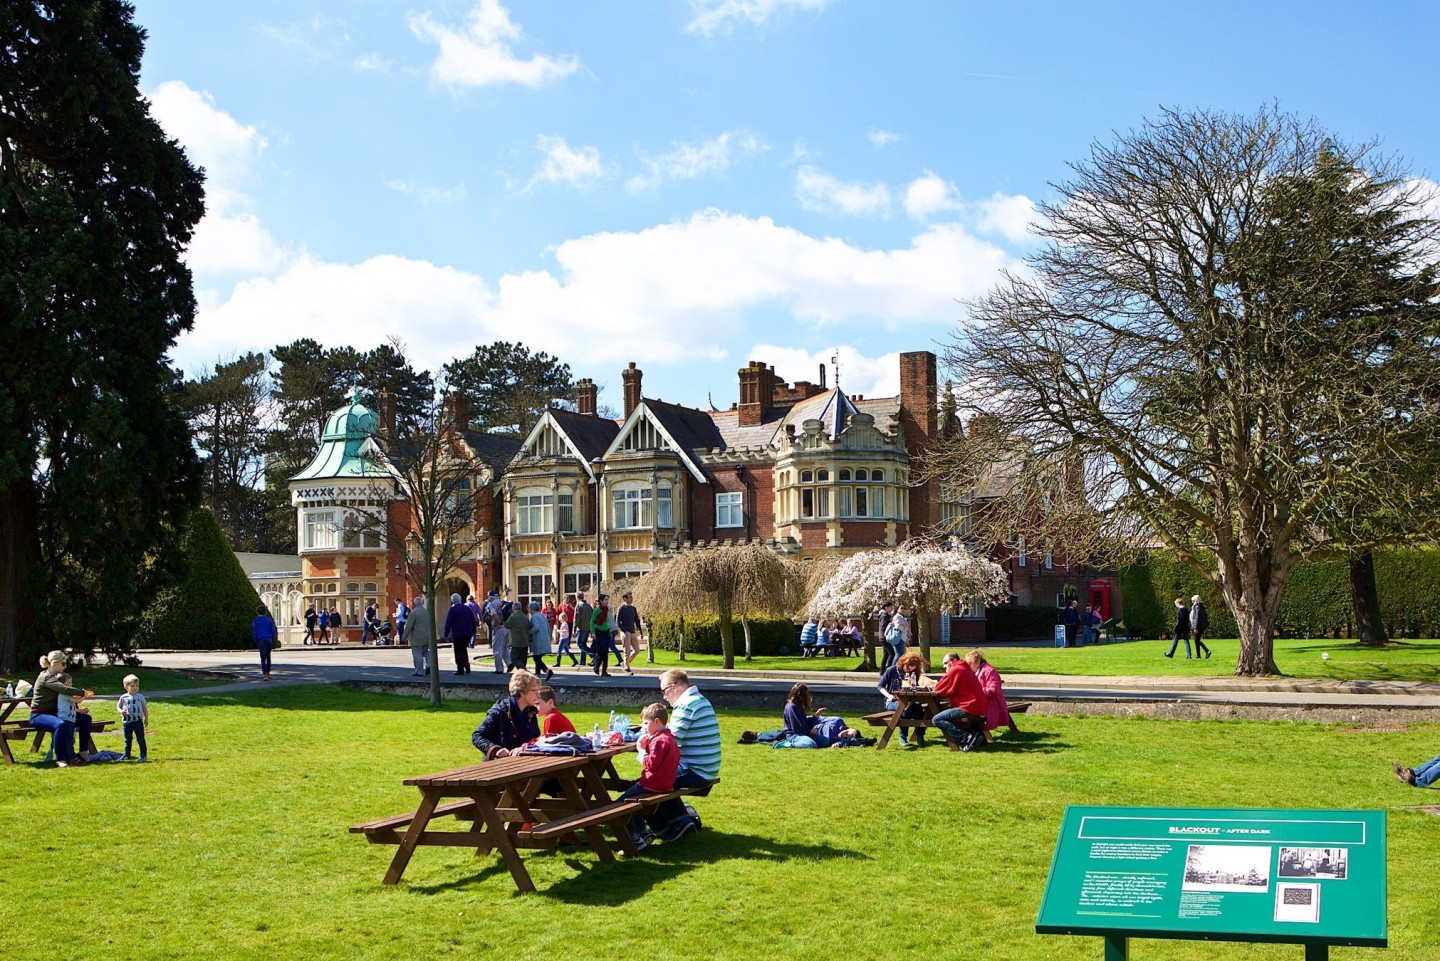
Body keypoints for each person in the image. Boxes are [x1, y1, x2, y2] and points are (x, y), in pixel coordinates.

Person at [655, 669, 718, 839]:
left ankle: (661, 829)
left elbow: (668, 742)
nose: (664, 697)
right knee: (659, 777)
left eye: (664, 691)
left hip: (696, 771)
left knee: (649, 783)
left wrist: (644, 739)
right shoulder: (699, 700)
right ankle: (682, 821)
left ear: (674, 687)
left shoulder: (685, 705)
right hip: (706, 768)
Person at [617, 702, 682, 852]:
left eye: (646, 723)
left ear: (657, 722)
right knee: (632, 794)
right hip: (666, 783)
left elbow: (651, 765)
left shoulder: (659, 741)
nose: (643, 726)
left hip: (653, 784)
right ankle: (642, 833)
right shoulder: (668, 737)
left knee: (620, 805)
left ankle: (635, 839)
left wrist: (641, 749)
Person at [28, 651, 94, 767]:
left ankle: (83, 752)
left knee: (85, 719)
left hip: (55, 713)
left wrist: (78, 710)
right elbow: (65, 690)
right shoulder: (46, 677)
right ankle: (61, 759)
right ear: (55, 663)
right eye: (63, 664)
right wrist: (83, 692)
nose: (65, 666)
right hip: (39, 715)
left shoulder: (55, 677)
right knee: (60, 725)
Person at [471, 670, 542, 759]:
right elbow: (477, 736)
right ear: (522, 693)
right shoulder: (499, 712)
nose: (538, 695)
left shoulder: (530, 712)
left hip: (523, 764)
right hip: (498, 767)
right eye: (534, 690)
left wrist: (525, 747)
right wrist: (495, 749)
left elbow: (535, 738)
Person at [931, 652, 989, 751]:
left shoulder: (956, 669)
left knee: (936, 719)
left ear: (953, 661)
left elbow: (939, 689)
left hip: (970, 707)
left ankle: (967, 738)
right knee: (948, 713)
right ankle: (975, 736)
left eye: (946, 663)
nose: (944, 666)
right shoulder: (965, 668)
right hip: (979, 707)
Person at [876, 651, 929, 748]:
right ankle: (903, 736)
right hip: (893, 701)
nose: (908, 669)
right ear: (903, 663)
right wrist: (889, 696)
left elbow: (913, 687)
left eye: (912, 667)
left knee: (917, 706)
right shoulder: (892, 670)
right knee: (906, 708)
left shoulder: (914, 673)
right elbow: (880, 686)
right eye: (907, 666)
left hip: (910, 701)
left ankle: (920, 735)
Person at [965, 649, 1012, 734]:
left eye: (970, 663)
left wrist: (977, 691)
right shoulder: (979, 671)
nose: (969, 666)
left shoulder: (989, 671)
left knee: (968, 712)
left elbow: (994, 691)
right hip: (984, 702)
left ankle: (973, 736)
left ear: (977, 661)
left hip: (993, 704)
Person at [117, 673, 150, 761]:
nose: (135, 688)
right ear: (126, 687)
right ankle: (126, 754)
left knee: (140, 739)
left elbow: (144, 708)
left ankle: (143, 755)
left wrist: (146, 718)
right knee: (127, 739)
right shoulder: (123, 697)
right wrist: (121, 711)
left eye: (136, 686)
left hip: (137, 722)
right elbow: (118, 707)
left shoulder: (140, 697)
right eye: (132, 686)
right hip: (127, 722)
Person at [443, 593, 477, 675]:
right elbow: (473, 620)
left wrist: (446, 633)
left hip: (458, 633)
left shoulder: (453, 609)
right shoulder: (467, 608)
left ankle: (460, 669)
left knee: (458, 651)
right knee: (463, 649)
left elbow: (449, 622)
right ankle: (467, 666)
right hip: (468, 633)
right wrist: (473, 630)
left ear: (452, 601)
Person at [402, 595, 431, 676]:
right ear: (422, 603)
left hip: (416, 637)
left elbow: (408, 626)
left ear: (414, 603)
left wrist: (404, 637)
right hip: (427, 636)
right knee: (426, 652)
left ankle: (419, 671)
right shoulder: (427, 612)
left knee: (417, 654)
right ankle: (429, 665)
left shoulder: (413, 613)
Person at [617, 591, 645, 674]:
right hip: (625, 632)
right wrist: (624, 630)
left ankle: (625, 663)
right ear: (625, 599)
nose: (631, 598)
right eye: (629, 597)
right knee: (627, 650)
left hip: (632, 632)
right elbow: (618, 621)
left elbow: (636, 620)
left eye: (632, 597)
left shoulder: (633, 608)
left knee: (637, 650)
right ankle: (626, 667)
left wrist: (640, 631)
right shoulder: (622, 608)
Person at [527, 601, 555, 680]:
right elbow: (548, 628)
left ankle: (547, 671)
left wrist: (528, 632)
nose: (529, 611)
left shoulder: (534, 617)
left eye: (529, 609)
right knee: (537, 657)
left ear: (532, 609)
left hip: (539, 640)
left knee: (536, 658)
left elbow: (536, 627)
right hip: (545, 639)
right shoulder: (542, 616)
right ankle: (537, 674)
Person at [590, 593, 616, 677]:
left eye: (607, 600)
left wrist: (612, 631)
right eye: (605, 600)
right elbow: (592, 622)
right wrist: (593, 633)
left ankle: (604, 671)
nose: (607, 601)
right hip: (599, 632)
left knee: (605, 652)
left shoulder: (608, 610)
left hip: (606, 632)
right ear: (601, 601)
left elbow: (609, 621)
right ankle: (597, 666)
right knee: (602, 651)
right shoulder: (597, 610)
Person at [504, 603, 531, 677]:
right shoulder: (525, 617)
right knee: (523, 659)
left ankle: (523, 670)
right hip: (525, 642)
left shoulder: (514, 617)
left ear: (513, 608)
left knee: (514, 658)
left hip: (517, 642)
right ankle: (522, 674)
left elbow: (506, 625)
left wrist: (511, 616)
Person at [252, 604, 278, 681]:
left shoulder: (256, 621)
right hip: (268, 638)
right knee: (268, 656)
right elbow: (273, 629)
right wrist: (273, 637)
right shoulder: (268, 620)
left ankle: (265, 674)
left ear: (257, 612)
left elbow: (254, 631)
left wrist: (255, 639)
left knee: (263, 658)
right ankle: (268, 672)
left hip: (260, 639)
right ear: (265, 612)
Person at [574, 593, 594, 667]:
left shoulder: (579, 605)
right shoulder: (589, 606)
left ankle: (594, 655)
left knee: (579, 644)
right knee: (584, 644)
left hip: (581, 628)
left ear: (577, 597)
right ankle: (582, 661)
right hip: (588, 628)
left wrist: (574, 628)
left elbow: (576, 618)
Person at [876, 602, 896, 671]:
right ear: (886, 607)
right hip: (885, 637)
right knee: (892, 653)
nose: (891, 608)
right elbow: (883, 627)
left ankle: (882, 670)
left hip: (882, 637)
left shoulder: (884, 615)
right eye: (890, 607)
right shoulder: (884, 616)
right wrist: (890, 625)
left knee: (886, 654)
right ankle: (889, 670)